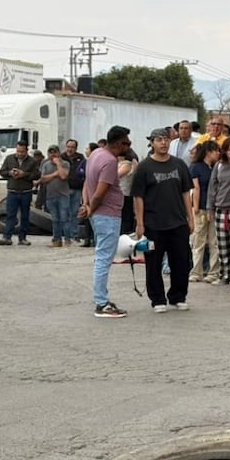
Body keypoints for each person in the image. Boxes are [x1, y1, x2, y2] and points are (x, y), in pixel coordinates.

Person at [132, 127, 194, 312]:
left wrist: (190, 217)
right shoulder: (144, 167)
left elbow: (186, 192)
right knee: (153, 264)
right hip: (153, 224)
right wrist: (140, 223)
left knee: (181, 262)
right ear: (151, 142)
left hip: (178, 222)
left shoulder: (179, 165)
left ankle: (177, 296)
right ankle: (158, 299)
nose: (163, 143)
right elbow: (138, 197)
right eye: (159, 139)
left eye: (166, 139)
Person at [79, 126, 132, 318]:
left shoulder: (96, 154)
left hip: (98, 213)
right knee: (104, 258)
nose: (128, 146)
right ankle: (101, 303)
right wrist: (91, 208)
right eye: (126, 142)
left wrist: (86, 205)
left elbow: (87, 183)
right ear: (118, 143)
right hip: (107, 214)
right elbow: (101, 192)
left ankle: (102, 299)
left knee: (102, 256)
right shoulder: (109, 161)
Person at [208, 137, 230, 285]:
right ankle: (224, 274)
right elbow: (213, 187)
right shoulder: (219, 165)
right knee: (222, 245)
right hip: (220, 209)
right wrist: (210, 208)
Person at [188, 140, 221, 283]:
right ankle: (196, 271)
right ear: (208, 152)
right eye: (216, 151)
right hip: (200, 208)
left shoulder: (215, 167)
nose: (218, 154)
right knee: (199, 241)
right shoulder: (196, 167)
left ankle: (214, 272)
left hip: (213, 208)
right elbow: (196, 188)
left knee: (214, 241)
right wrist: (195, 207)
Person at [0, 140, 39, 246]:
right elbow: (2, 172)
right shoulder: (9, 158)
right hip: (12, 191)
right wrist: (10, 173)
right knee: (10, 215)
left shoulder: (32, 161)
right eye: (18, 151)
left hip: (26, 192)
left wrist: (24, 174)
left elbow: (37, 175)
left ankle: (23, 238)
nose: (20, 154)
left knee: (25, 216)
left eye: (22, 152)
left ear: (26, 150)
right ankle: (7, 237)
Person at [40, 145, 71, 247]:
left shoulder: (65, 163)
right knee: (55, 219)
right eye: (50, 152)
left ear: (59, 153)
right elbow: (43, 179)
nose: (53, 154)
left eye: (55, 152)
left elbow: (63, 176)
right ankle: (56, 239)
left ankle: (67, 239)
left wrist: (58, 164)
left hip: (63, 195)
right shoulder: (45, 165)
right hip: (50, 195)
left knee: (64, 218)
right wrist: (54, 174)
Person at [63, 139, 86, 243]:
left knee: (75, 213)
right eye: (68, 146)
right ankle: (66, 235)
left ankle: (74, 234)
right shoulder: (61, 157)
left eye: (72, 147)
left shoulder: (80, 158)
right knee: (65, 213)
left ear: (76, 148)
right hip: (64, 189)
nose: (70, 149)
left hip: (77, 189)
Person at [117, 148, 139, 235]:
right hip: (121, 193)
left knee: (125, 215)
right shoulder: (121, 164)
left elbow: (116, 175)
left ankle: (125, 232)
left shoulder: (126, 164)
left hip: (125, 193)